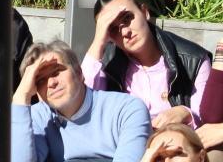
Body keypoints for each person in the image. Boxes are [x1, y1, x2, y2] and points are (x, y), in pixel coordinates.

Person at [81, 0, 211, 128]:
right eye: (112, 29)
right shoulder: (106, 64)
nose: (125, 32)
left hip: (174, 139)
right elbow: (82, 108)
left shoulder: (193, 59)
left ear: (144, 12)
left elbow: (207, 121)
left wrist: (186, 113)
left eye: (127, 18)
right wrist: (98, 42)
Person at [12, 40, 151, 162]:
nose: (51, 83)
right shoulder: (36, 117)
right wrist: (21, 97)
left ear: (79, 73)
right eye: (41, 80)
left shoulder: (126, 110)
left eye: (57, 72)